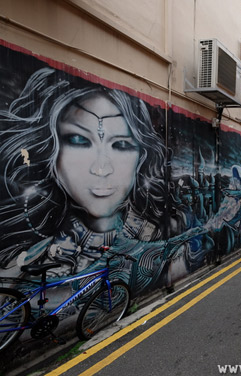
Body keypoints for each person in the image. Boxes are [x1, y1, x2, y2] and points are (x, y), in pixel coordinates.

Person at [0, 67, 202, 301]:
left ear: (142, 157)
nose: (101, 168)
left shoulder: (166, 248)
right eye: (78, 140)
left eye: (121, 145)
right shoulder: (27, 258)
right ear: (52, 152)